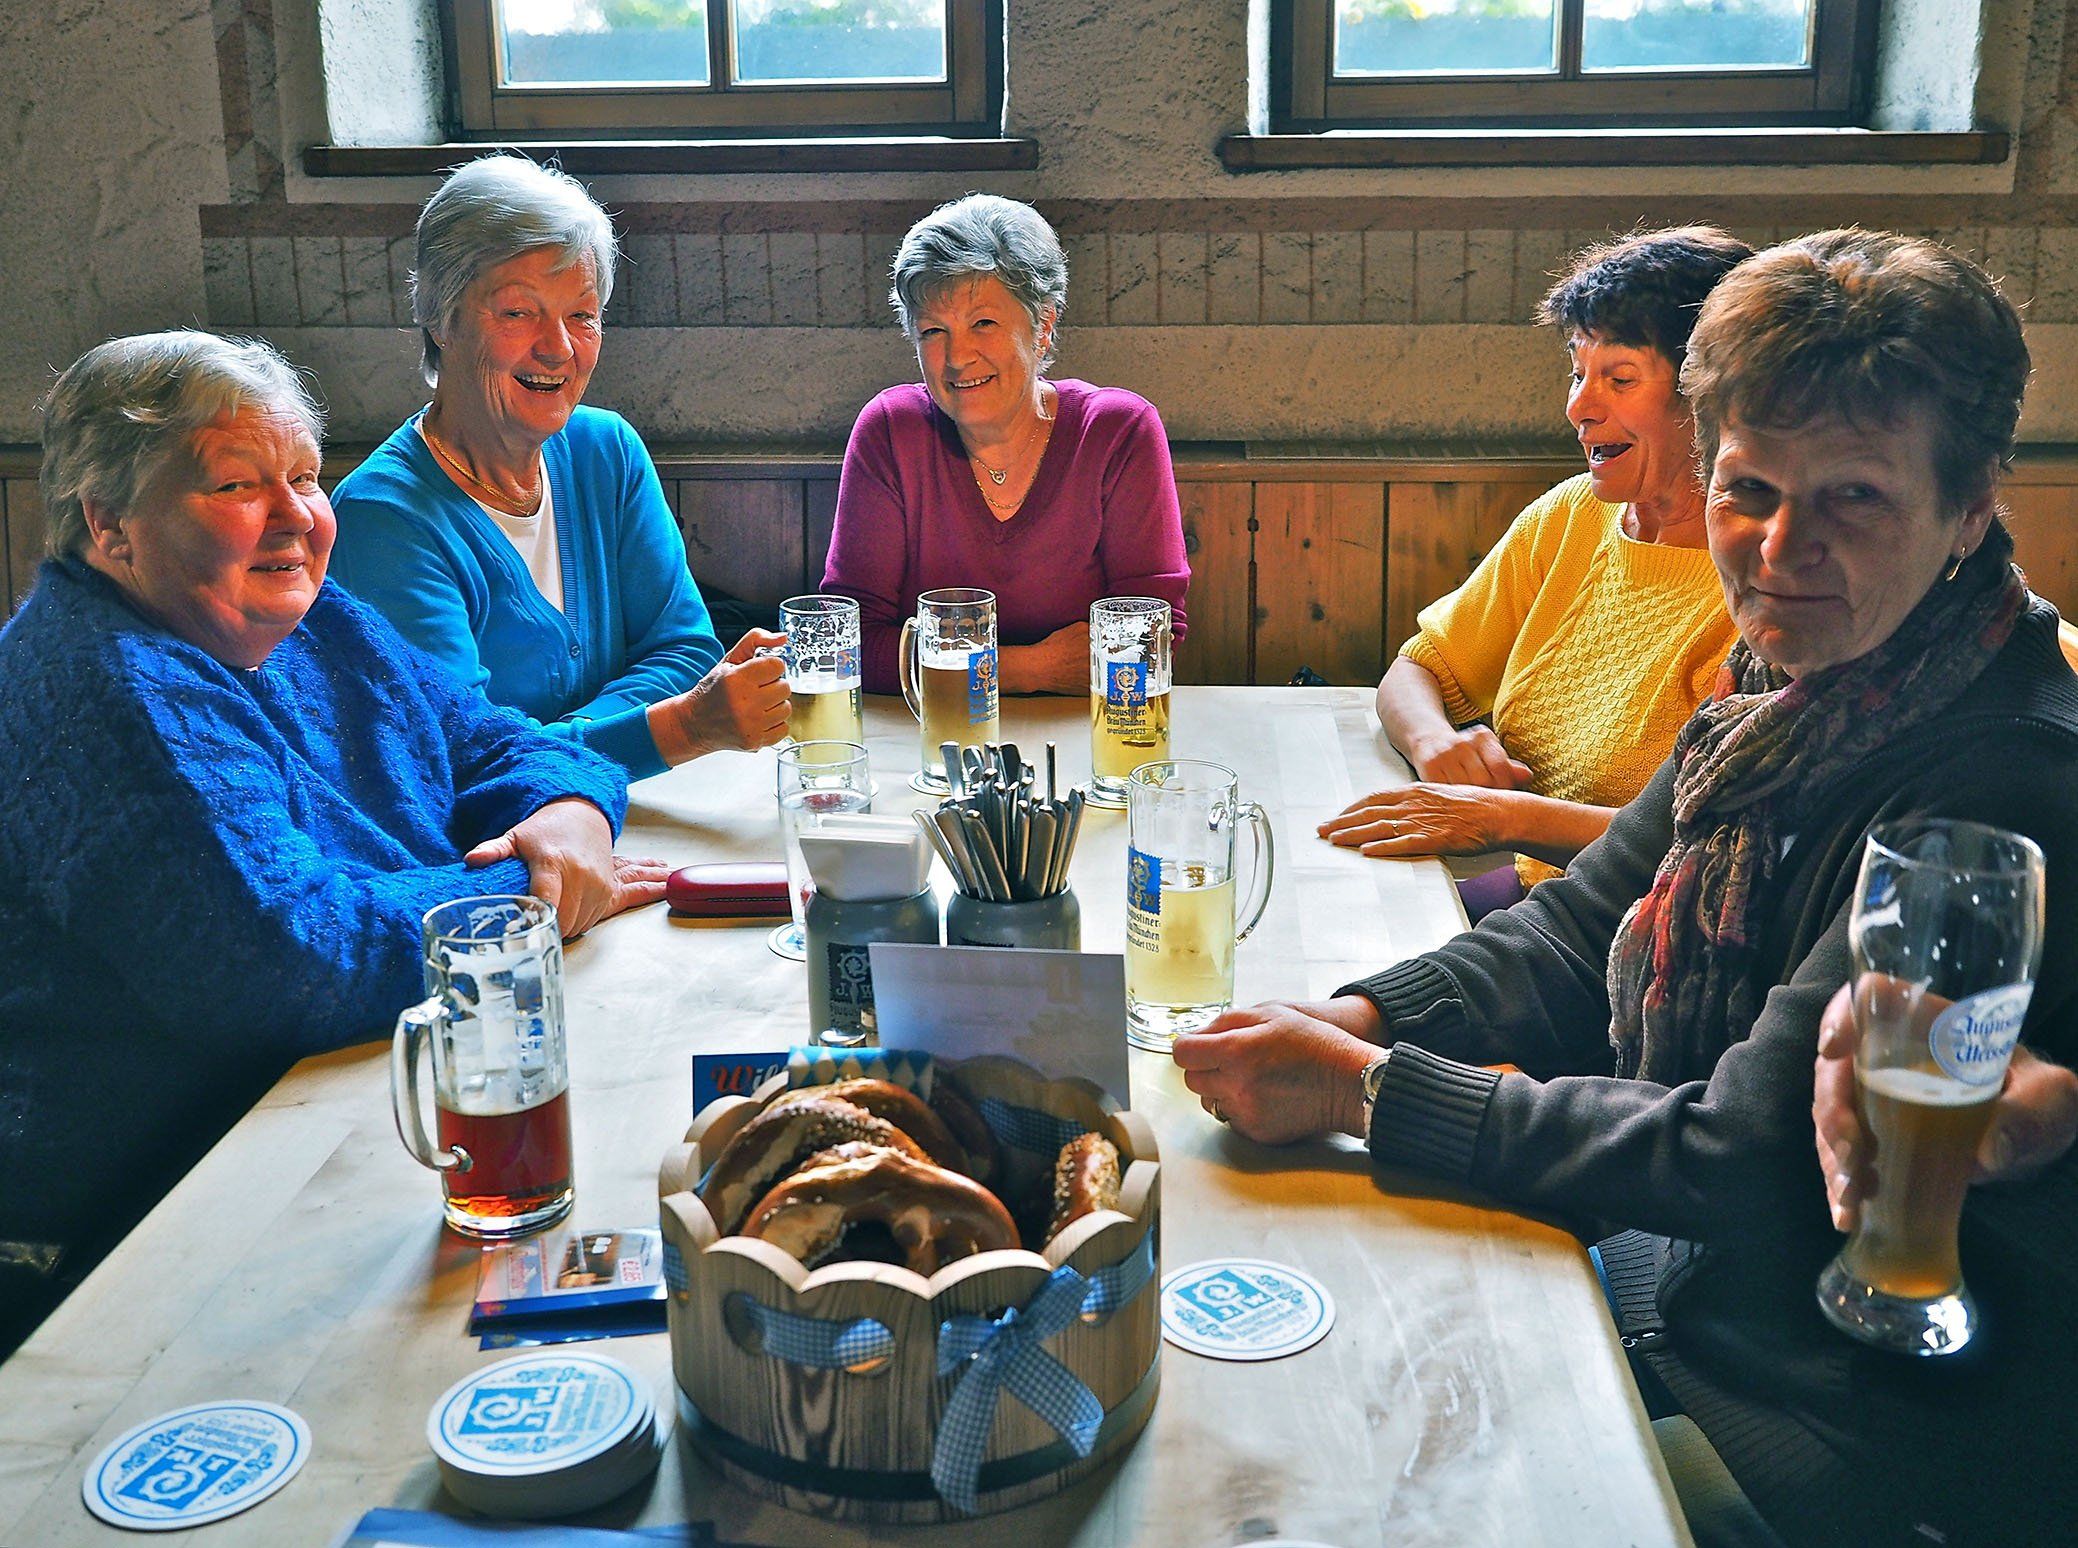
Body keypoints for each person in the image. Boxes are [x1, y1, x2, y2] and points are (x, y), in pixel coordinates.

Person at [1174, 233, 2078, 1547]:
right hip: (1690, 1294)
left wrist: (1363, 1092)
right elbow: (1576, 923)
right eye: (1747, 488)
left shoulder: (1997, 786)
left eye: (1853, 498)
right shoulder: (1789, 685)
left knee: (1384, 1476)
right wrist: (1361, 1017)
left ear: (1969, 503)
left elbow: (1745, 1157)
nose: (1780, 545)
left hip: (1838, 1429)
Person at [0, 332, 666, 1358]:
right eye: (236, 485)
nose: (296, 518)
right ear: (110, 524)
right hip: (144, 1230)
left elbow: (495, 739)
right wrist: (535, 895)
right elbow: (289, 957)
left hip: (335, 1103)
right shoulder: (107, 683)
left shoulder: (303, 614)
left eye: (305, 478)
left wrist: (571, 816)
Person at [1324, 228, 1750, 918]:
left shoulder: (1763, 584)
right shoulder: (1574, 514)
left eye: (1619, 379)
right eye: (1578, 373)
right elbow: (1419, 667)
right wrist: (1437, 743)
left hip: (1630, 928)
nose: (1579, 407)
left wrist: (1503, 817)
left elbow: (1712, 847)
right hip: (1527, 895)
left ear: (1710, 392)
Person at [330, 154, 787, 779]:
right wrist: (679, 726)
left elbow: (684, 651)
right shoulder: (382, 519)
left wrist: (564, 751)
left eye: (582, 315)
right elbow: (464, 761)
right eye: (518, 312)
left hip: (634, 807)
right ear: (441, 318)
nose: (559, 348)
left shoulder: (607, 451)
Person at [821, 194, 1190, 696]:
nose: (957, 357)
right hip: (929, 731)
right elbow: (850, 645)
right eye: (933, 331)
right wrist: (1032, 668)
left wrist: (941, 668)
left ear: (1043, 326)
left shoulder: (1117, 431)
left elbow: (1149, 640)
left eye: (983, 324)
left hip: (1086, 728)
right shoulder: (891, 430)